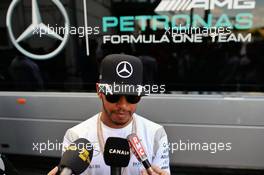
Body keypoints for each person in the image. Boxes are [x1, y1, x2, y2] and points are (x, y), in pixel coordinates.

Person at [48, 54, 170, 175]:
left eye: (132, 98)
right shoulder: (75, 136)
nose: (123, 105)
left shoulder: (156, 134)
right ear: (99, 91)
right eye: (114, 96)